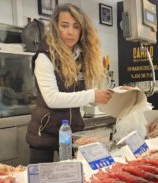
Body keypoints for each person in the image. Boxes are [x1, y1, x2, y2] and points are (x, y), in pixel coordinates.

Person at [26, 3, 113, 163]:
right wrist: (92, 95)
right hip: (44, 132)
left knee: (74, 179)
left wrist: (121, 93)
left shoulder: (82, 57)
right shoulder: (44, 57)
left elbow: (93, 90)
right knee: (42, 181)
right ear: (55, 28)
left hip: (71, 130)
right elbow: (52, 99)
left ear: (82, 31)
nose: (70, 32)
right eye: (64, 25)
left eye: (76, 26)